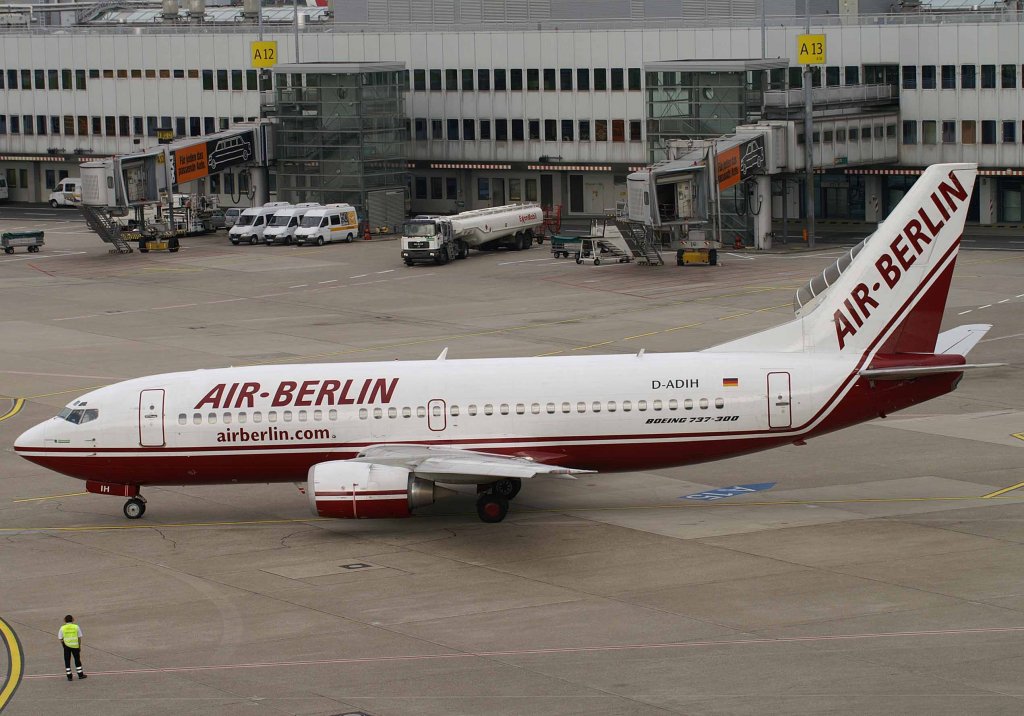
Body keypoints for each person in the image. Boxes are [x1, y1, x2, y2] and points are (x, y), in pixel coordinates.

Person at [58, 615, 86, 681]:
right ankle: (80, 674)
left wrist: (63, 645)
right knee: (77, 660)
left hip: (66, 646)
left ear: (64, 620)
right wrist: (79, 646)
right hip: (75, 646)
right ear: (73, 620)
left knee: (67, 661)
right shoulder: (76, 627)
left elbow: (60, 638)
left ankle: (69, 676)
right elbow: (79, 637)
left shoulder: (62, 628)